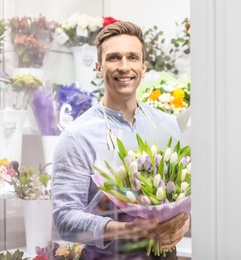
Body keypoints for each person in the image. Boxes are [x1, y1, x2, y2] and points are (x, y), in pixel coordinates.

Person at [52, 21, 190, 260]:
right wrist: (131, 230)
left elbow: (183, 192)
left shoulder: (166, 123)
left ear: (144, 67)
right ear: (98, 66)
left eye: (132, 57)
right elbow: (65, 220)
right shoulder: (77, 136)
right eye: (114, 58)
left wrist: (183, 222)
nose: (124, 67)